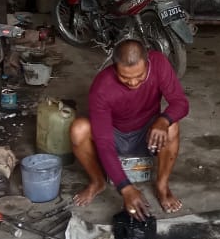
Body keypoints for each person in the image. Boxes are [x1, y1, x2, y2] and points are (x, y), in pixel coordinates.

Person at [70, 39, 189, 220]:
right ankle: (98, 181)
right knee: (78, 129)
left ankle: (162, 186)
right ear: (114, 67)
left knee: (172, 126)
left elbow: (180, 103)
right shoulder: (102, 86)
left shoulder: (158, 63)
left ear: (147, 62)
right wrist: (125, 187)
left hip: (148, 133)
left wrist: (164, 121)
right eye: (124, 77)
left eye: (139, 76)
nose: (133, 82)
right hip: (116, 135)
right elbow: (104, 143)